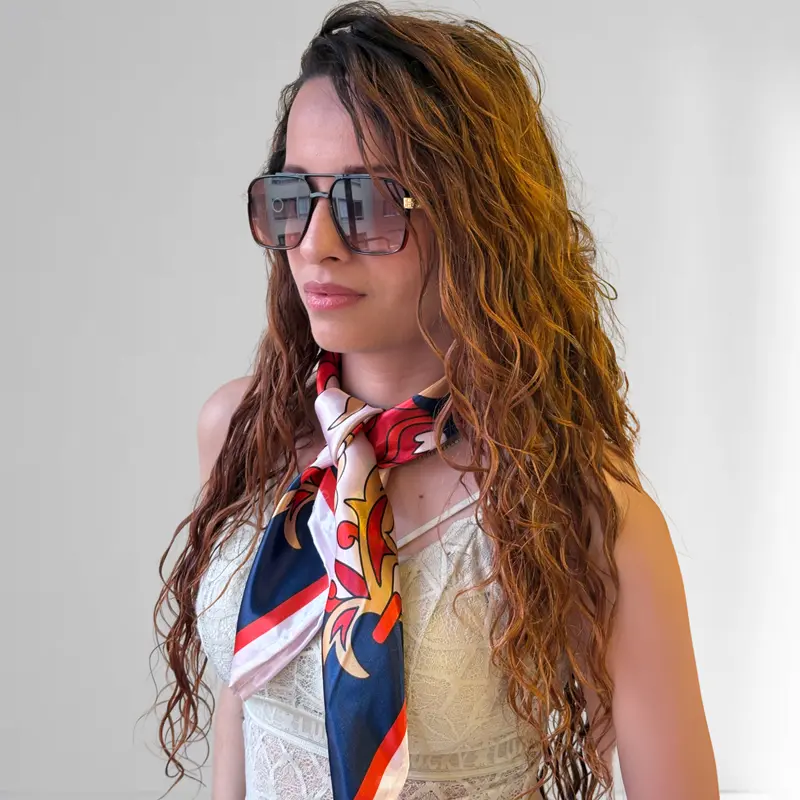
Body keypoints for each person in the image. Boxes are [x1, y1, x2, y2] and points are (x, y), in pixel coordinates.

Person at [152, 2, 719, 798]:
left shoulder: (588, 514)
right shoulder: (241, 432)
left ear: (477, 219)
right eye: (293, 197)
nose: (315, 243)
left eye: (369, 202)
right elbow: (245, 706)